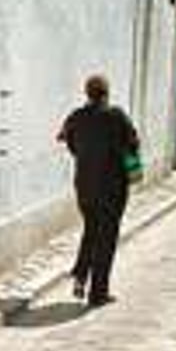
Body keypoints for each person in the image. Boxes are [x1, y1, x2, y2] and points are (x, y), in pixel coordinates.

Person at [57, 75, 140, 307]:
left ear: (88, 93)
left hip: (84, 186)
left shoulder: (76, 116)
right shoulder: (116, 116)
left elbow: (68, 142)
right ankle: (98, 293)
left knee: (91, 230)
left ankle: (81, 274)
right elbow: (133, 143)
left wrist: (86, 157)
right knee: (106, 238)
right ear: (106, 93)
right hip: (112, 187)